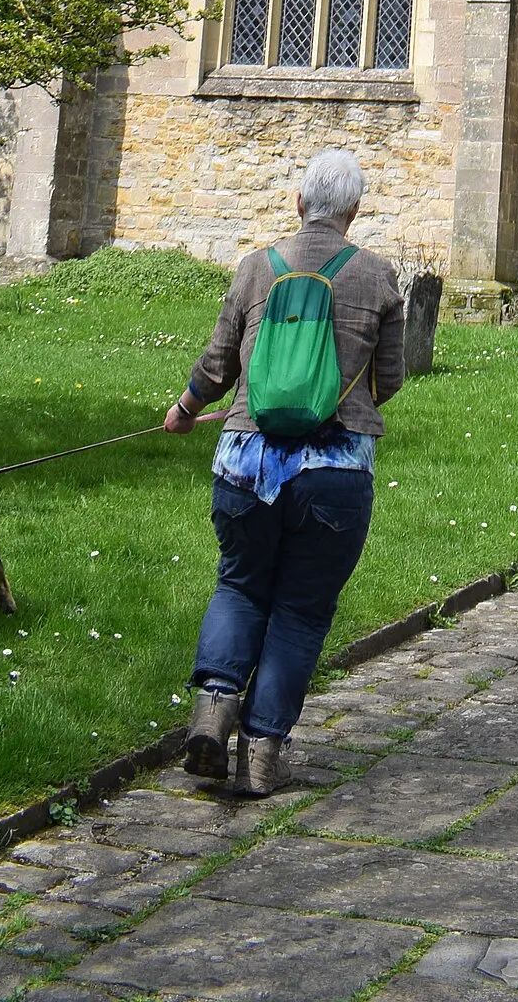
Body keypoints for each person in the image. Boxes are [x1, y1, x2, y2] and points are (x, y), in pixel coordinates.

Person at [165, 147, 404, 795]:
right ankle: (264, 758)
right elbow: (390, 381)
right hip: (335, 472)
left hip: (245, 459)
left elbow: (217, 365)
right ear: (354, 212)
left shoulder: (253, 269)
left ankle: (213, 714)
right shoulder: (379, 279)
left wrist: (186, 410)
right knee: (300, 610)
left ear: (299, 203)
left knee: (240, 586)